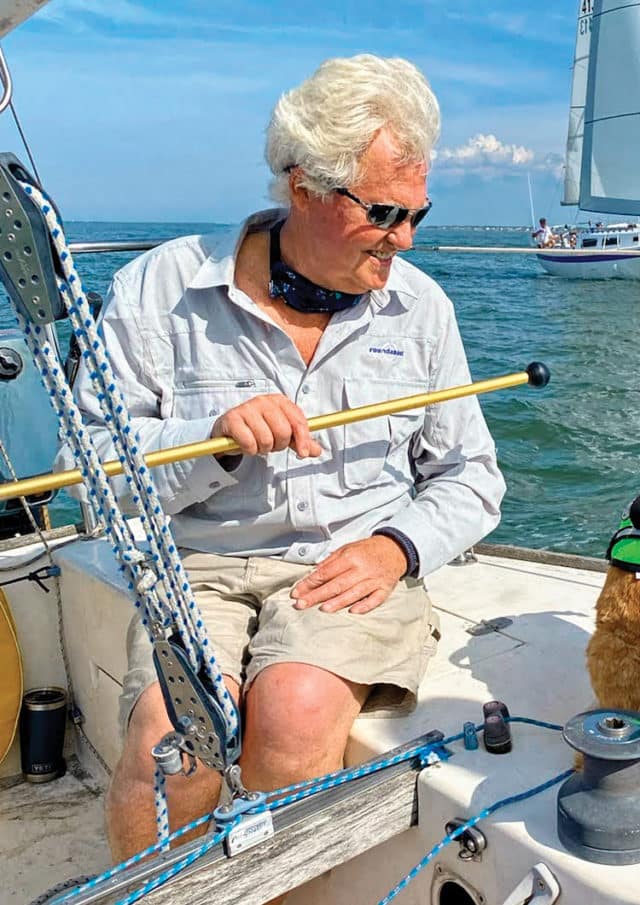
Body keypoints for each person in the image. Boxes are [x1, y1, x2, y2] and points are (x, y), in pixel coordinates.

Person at [59, 55, 505, 861]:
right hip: (198, 563)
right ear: (303, 187)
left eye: (418, 216)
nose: (403, 241)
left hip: (348, 569)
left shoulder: (423, 308)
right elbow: (89, 469)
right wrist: (210, 440)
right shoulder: (157, 289)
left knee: (295, 710)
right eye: (383, 213)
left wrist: (393, 546)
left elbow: (472, 476)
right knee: (172, 740)